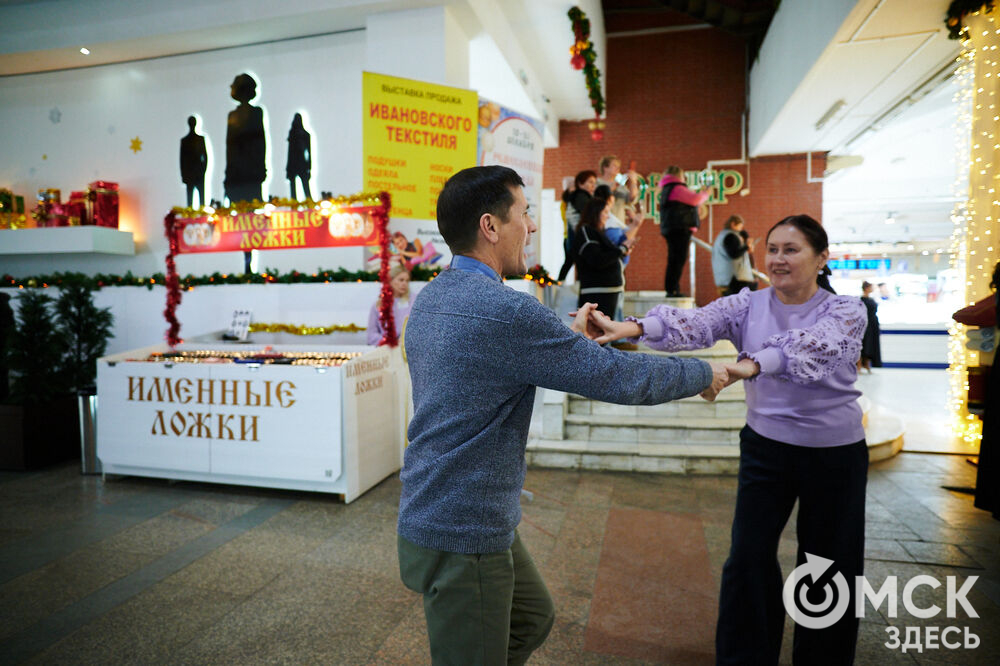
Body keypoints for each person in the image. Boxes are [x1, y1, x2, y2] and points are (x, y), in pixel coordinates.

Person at [397, 165, 733, 666]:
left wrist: (566, 346)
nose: (532, 225)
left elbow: (486, 365)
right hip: (464, 530)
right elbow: (618, 377)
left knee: (532, 618)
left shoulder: (434, 297)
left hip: (444, 508)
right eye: (524, 213)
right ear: (490, 226)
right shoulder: (506, 311)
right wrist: (703, 373)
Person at [588, 214, 869, 665]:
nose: (778, 259)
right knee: (748, 557)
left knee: (829, 562)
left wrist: (747, 366)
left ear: (822, 258)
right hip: (766, 448)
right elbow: (698, 322)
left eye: (791, 250)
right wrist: (633, 329)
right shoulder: (748, 304)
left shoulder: (846, 311)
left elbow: (811, 346)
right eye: (772, 249)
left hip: (835, 454)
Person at [572, 194, 632, 319]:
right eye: (605, 212)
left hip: (608, 291)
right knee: (597, 330)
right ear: (595, 213)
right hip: (597, 293)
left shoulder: (597, 232)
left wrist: (622, 250)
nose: (608, 216)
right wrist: (621, 250)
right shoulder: (586, 232)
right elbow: (597, 259)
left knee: (606, 329)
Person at [659, 165, 710, 297]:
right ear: (678, 175)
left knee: (675, 258)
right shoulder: (676, 188)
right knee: (678, 259)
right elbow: (695, 199)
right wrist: (706, 193)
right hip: (679, 228)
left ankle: (672, 288)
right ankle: (672, 289)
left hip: (672, 228)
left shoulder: (668, 188)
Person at [557, 170, 597, 281]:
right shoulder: (579, 197)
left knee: (574, 265)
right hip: (575, 239)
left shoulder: (581, 197)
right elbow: (589, 217)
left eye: (594, 183)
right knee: (577, 266)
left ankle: (560, 284)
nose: (593, 186)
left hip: (574, 239)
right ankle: (560, 285)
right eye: (590, 182)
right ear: (580, 183)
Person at [366, 263, 412, 345]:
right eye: (401, 280)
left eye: (407, 281)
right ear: (390, 281)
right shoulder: (379, 304)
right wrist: (388, 341)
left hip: (408, 346)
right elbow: (371, 335)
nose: (404, 284)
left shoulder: (413, 301)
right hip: (386, 347)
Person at [712, 214, 756, 296]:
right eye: (740, 226)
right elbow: (734, 253)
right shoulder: (731, 236)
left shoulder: (721, 236)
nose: (740, 229)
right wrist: (747, 246)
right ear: (733, 224)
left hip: (724, 277)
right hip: (735, 279)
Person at [596, 155, 639, 222]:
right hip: (601, 222)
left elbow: (631, 198)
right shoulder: (596, 183)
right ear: (605, 168)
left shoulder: (620, 186)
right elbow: (596, 200)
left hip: (618, 222)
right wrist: (611, 189)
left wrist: (633, 182)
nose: (618, 168)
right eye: (614, 165)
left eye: (618, 166)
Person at [179, 115, 207, 208]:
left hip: (199, 173)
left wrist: (203, 170)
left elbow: (205, 156)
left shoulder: (200, 139)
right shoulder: (184, 141)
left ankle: (202, 214)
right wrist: (184, 175)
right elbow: (182, 160)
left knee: (202, 200)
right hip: (190, 174)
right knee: (190, 201)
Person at [286, 113, 312, 200]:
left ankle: (308, 204)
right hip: (297, 163)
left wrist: (309, 167)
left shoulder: (303, 135)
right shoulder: (294, 134)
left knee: (305, 189)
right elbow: (290, 152)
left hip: (300, 164)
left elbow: (309, 152)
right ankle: (298, 204)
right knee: (297, 190)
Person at [859, 281, 882, 373]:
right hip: (864, 325)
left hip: (872, 325)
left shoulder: (871, 299)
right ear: (866, 288)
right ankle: (859, 365)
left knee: (871, 345)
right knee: (863, 345)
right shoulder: (861, 300)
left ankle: (867, 364)